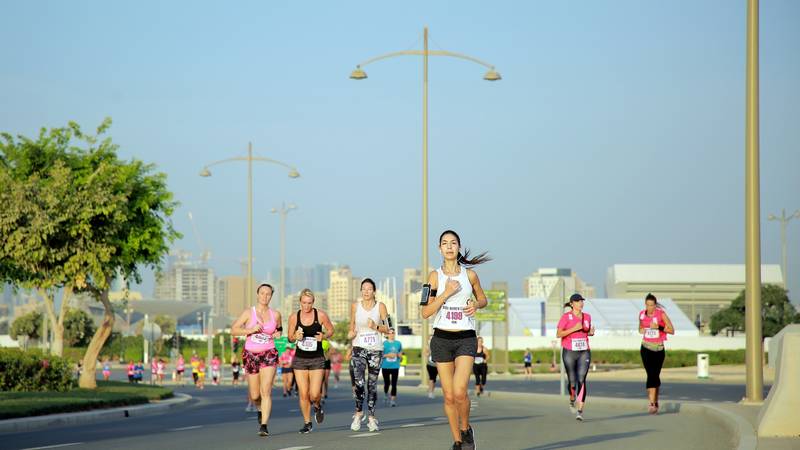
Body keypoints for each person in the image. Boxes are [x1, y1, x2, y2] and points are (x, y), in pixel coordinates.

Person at [421, 230, 490, 450]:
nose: (449, 246)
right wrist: (446, 293)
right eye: (445, 243)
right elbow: (425, 312)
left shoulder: (470, 275)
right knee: (449, 396)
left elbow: (483, 299)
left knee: (460, 391)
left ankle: (466, 429)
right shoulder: (434, 276)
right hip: (441, 339)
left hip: (465, 338)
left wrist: (476, 305)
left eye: (453, 243)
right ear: (439, 249)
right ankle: (458, 442)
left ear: (459, 247)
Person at [231, 283, 282, 437]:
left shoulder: (276, 314)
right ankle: (260, 410)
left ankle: (264, 425)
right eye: (262, 293)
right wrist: (250, 330)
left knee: (266, 390)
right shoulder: (248, 312)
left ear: (271, 296)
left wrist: (278, 333)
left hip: (269, 353)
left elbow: (279, 329)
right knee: (254, 395)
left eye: (268, 294)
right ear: (258, 294)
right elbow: (233, 330)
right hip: (251, 355)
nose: (265, 296)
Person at [288, 288, 335, 434]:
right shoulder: (294, 317)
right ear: (300, 302)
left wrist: (324, 336)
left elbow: (331, 330)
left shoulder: (320, 315)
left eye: (309, 303)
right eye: (304, 303)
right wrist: (295, 336)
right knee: (303, 394)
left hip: (317, 359)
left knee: (314, 394)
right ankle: (307, 423)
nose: (306, 306)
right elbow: (289, 337)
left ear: (313, 302)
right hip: (300, 359)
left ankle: (318, 406)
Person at [348, 278, 390, 432]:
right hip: (358, 347)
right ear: (361, 291)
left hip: (375, 349)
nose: (366, 291)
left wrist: (376, 326)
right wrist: (350, 336)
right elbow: (352, 326)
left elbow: (389, 329)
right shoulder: (355, 306)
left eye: (369, 289)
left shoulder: (380, 306)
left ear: (374, 291)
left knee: (372, 384)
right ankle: (359, 413)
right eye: (364, 289)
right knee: (358, 383)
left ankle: (372, 417)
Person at [557, 293, 595, 422]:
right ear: (572, 304)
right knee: (572, 381)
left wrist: (590, 333)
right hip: (569, 351)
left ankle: (580, 411)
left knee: (582, 379)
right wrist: (573, 329)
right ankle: (572, 398)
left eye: (582, 301)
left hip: (584, 351)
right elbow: (559, 334)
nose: (581, 303)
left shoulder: (587, 317)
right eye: (578, 301)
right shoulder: (566, 317)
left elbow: (585, 332)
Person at [638, 293, 674, 415]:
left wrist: (658, 327)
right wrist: (643, 330)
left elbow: (672, 330)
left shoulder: (661, 314)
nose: (650, 307)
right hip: (646, 347)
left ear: (655, 305)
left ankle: (655, 400)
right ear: (645, 304)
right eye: (648, 305)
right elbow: (640, 328)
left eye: (652, 305)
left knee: (655, 375)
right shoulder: (642, 314)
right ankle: (652, 403)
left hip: (658, 349)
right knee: (650, 374)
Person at [381, 329, 403, 407]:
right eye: (390, 333)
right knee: (387, 383)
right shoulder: (384, 344)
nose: (391, 334)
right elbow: (380, 355)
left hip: (395, 366)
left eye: (393, 333)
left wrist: (399, 356)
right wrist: (388, 355)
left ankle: (392, 400)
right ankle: (385, 394)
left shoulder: (398, 343)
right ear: (387, 334)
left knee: (394, 384)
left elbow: (401, 355)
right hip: (385, 366)